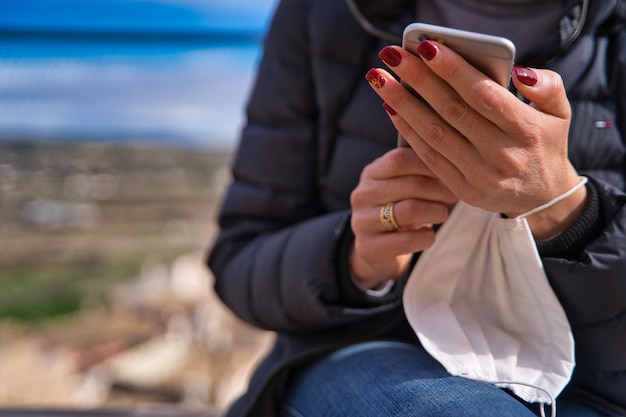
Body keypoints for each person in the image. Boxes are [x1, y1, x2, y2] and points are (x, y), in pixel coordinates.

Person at [208, 0, 626, 416]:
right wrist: (355, 259)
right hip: (370, 351)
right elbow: (240, 259)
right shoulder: (321, 12)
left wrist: (565, 211)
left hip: (592, 379)